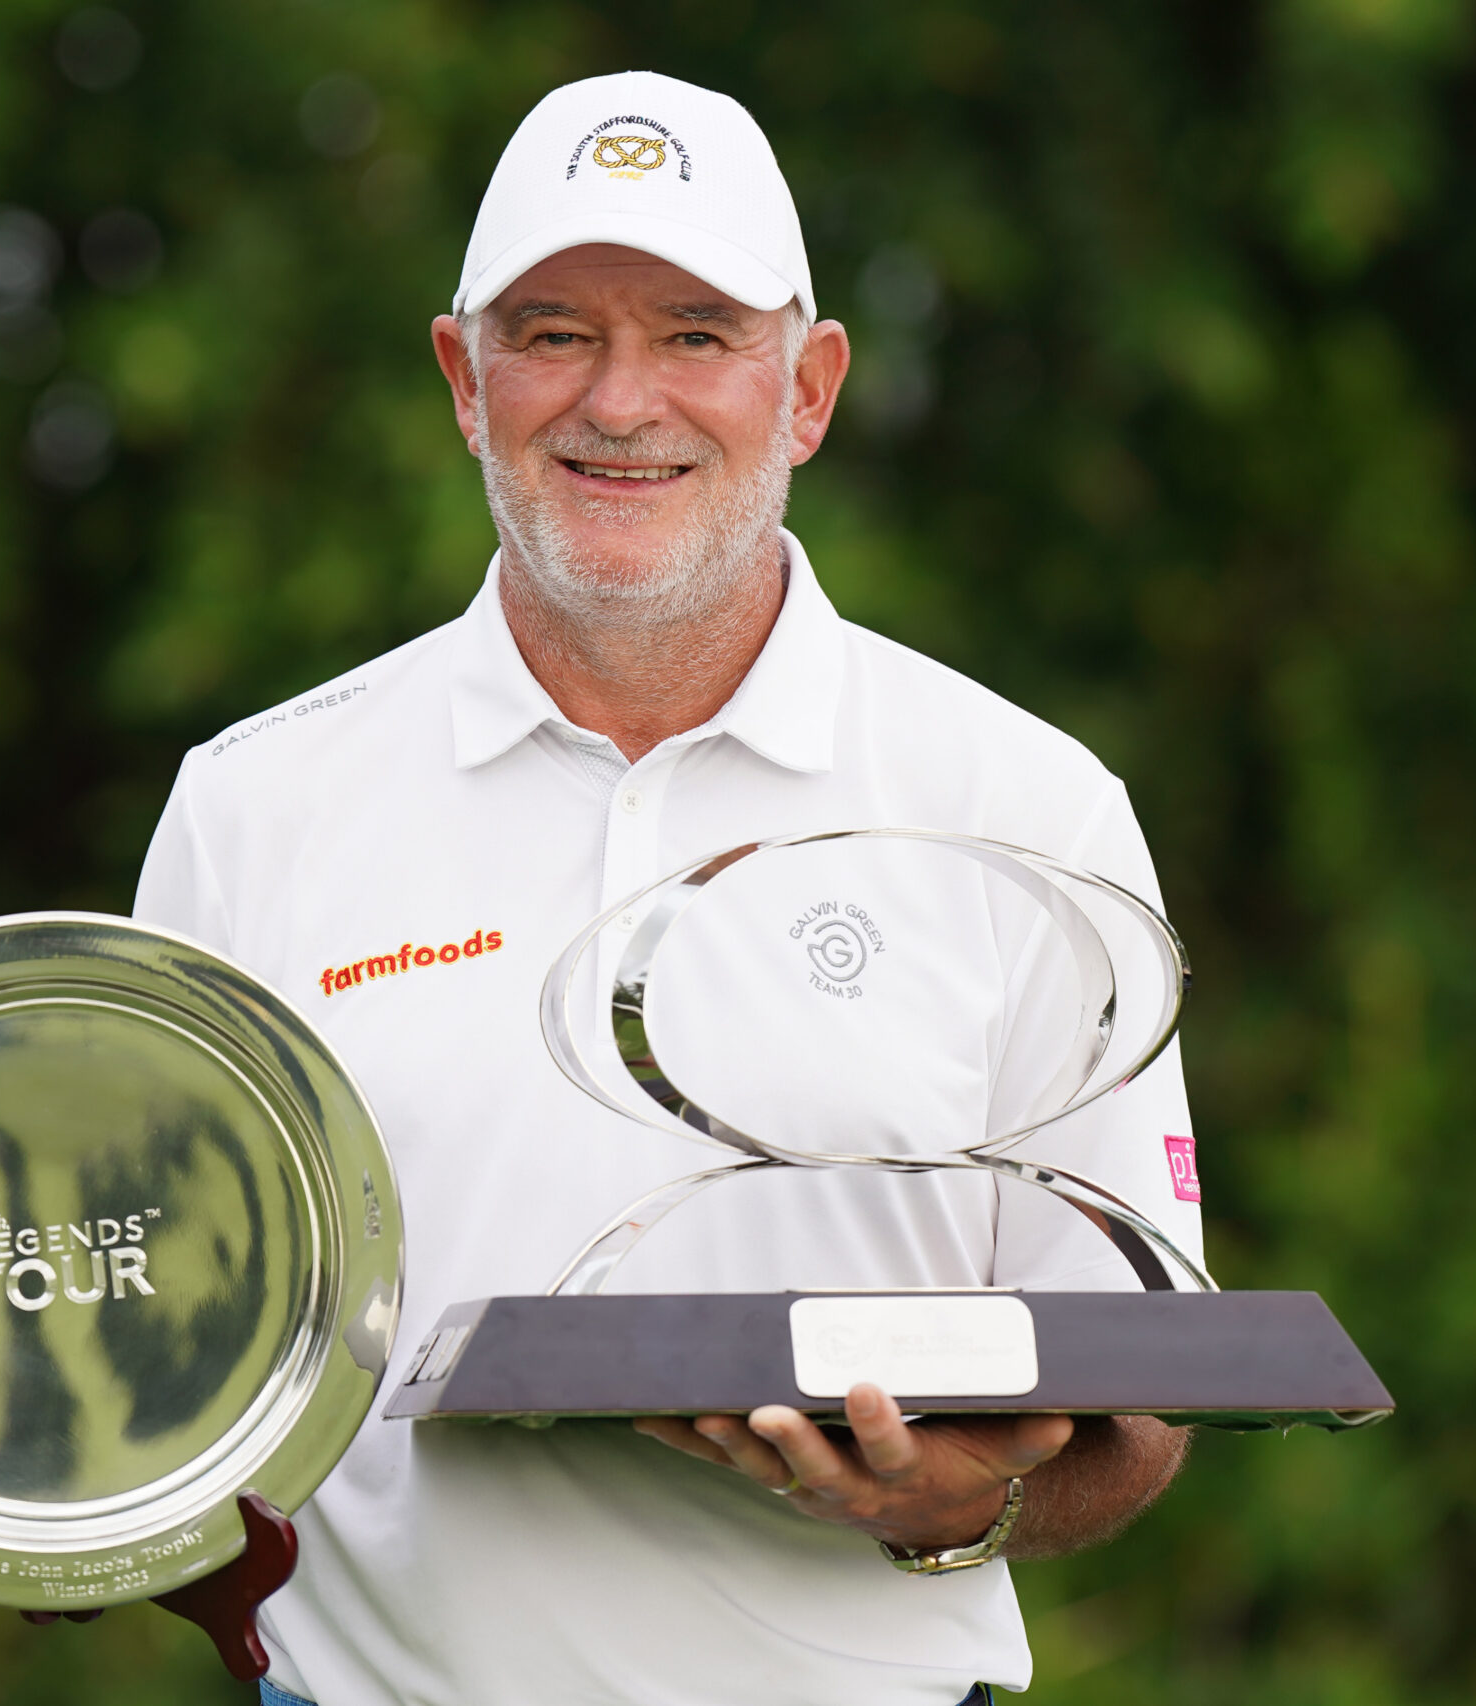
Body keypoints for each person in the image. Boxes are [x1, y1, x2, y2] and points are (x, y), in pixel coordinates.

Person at [134, 70, 1202, 1706]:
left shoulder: (1028, 807)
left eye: (698, 335)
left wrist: (955, 1502)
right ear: (462, 380)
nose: (620, 401)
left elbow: (1143, 1404)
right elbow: (150, 1326)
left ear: (811, 387)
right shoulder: (255, 807)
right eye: (553, 331)